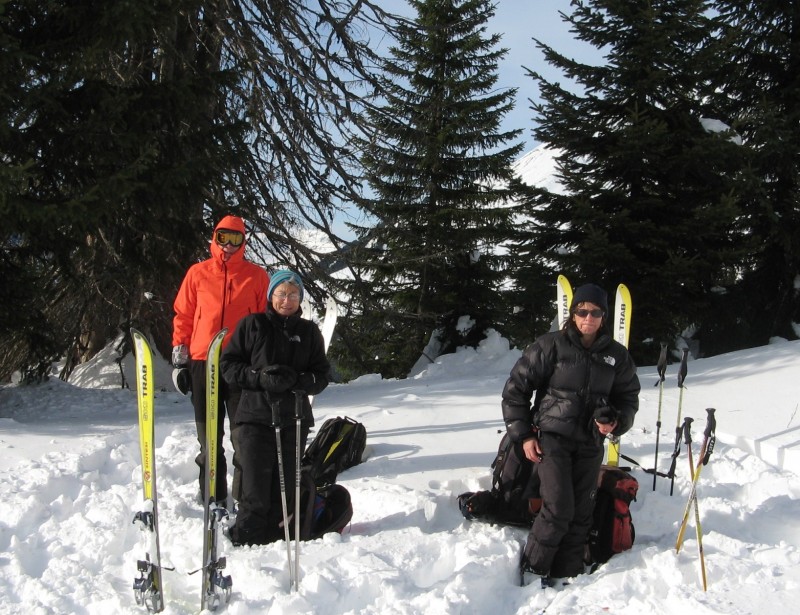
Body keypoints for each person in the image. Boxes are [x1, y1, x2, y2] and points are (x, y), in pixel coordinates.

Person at [501, 283, 640, 584]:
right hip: (552, 439)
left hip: (590, 443)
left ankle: (567, 574)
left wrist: (615, 422)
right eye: (582, 311)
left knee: (581, 513)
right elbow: (515, 390)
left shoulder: (617, 356)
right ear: (573, 313)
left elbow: (628, 399)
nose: (588, 317)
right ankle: (533, 572)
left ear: (604, 317)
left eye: (596, 312)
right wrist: (524, 436)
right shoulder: (550, 345)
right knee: (558, 507)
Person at [220, 269, 330, 546]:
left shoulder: (308, 332)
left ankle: (277, 539)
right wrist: (258, 378)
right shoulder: (252, 325)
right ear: (271, 296)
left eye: (293, 294)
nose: (286, 300)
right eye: (281, 293)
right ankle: (248, 538)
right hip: (255, 417)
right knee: (254, 486)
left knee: (284, 488)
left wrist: (298, 381)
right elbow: (229, 366)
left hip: (294, 418)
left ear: (300, 299)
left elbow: (321, 375)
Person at [171, 215, 270, 506]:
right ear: (214, 238)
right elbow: (184, 315)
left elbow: (264, 322)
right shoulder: (197, 273)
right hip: (203, 362)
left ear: (244, 242)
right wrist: (180, 357)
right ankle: (212, 498)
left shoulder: (256, 276)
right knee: (209, 440)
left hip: (241, 365)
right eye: (222, 237)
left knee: (244, 438)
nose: (228, 245)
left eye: (235, 239)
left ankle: (243, 500)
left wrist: (262, 362)